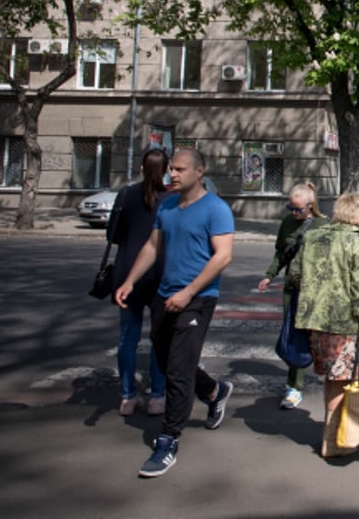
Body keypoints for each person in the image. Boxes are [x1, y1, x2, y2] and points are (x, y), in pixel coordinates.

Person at [115, 148, 235, 478]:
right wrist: (130, 280)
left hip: (197, 298)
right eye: (172, 169)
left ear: (200, 171)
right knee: (168, 361)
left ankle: (168, 439)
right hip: (164, 295)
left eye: (180, 169)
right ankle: (214, 391)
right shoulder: (166, 205)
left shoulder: (216, 209)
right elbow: (153, 247)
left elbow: (222, 257)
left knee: (179, 370)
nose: (173, 174)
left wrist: (189, 292)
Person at [289, 192, 359, 457]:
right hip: (344, 323)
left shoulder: (313, 237)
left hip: (315, 320)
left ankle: (334, 436)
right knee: (343, 380)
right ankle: (333, 441)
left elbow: (295, 274)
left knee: (335, 379)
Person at [107, 147, 170, 417]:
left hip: (127, 274)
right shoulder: (171, 200)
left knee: (127, 338)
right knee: (160, 338)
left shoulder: (126, 194)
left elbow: (113, 234)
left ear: (142, 168)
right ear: (167, 169)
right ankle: (157, 397)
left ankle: (128, 397)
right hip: (160, 275)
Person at [258, 182, 329, 410]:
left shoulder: (323, 225)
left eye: (298, 209)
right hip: (294, 288)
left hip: (317, 291)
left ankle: (330, 377)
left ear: (311, 206)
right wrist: (270, 275)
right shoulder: (288, 223)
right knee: (294, 336)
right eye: (291, 208)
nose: (294, 213)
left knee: (320, 337)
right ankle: (294, 386)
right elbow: (281, 252)